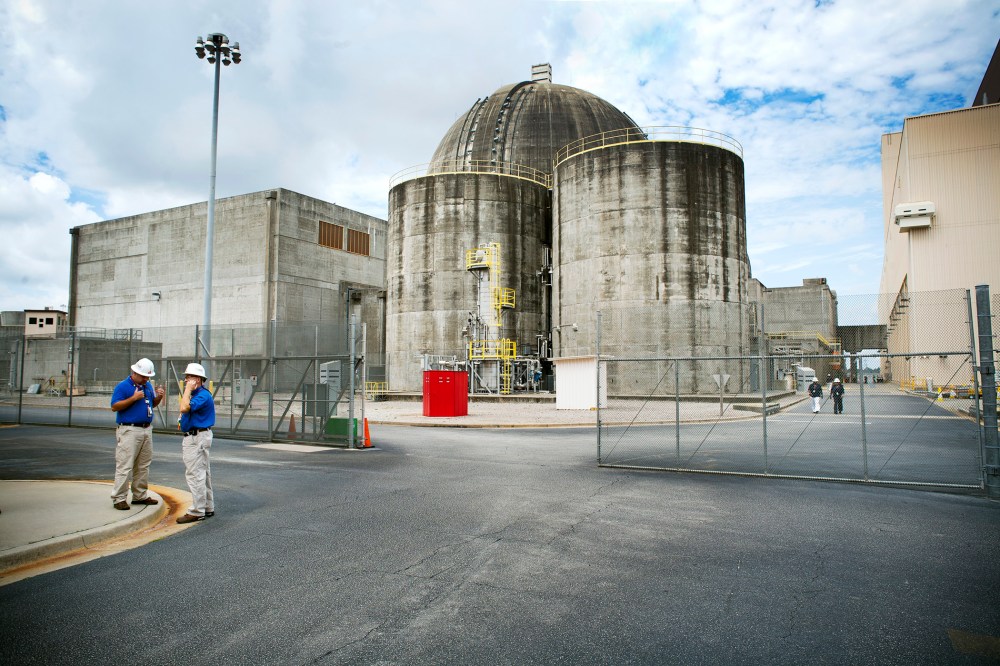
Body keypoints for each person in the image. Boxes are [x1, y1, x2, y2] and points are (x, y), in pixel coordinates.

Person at [109, 358, 165, 510]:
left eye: (148, 377)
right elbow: (115, 406)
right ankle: (119, 497)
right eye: (143, 376)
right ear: (134, 373)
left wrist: (158, 397)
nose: (146, 379)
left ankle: (139, 495)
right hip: (129, 429)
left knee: (143, 464)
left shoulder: (146, 386)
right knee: (125, 464)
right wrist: (133, 398)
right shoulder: (124, 386)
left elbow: (151, 404)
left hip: (146, 429)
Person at [177, 362, 216, 524]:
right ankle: (207, 506)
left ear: (198, 379)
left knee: (195, 474)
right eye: (186, 378)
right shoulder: (197, 395)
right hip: (197, 435)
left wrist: (186, 390)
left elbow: (185, 408)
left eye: (190, 377)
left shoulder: (202, 395)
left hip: (196, 437)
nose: (186, 380)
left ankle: (197, 510)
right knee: (203, 473)